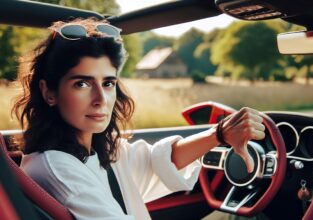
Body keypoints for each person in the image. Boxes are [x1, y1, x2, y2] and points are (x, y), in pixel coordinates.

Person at [13, 18, 265, 220]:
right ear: (49, 92)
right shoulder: (57, 168)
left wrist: (219, 134)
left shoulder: (97, 150)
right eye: (82, 83)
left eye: (108, 83)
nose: (101, 98)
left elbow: (155, 162)